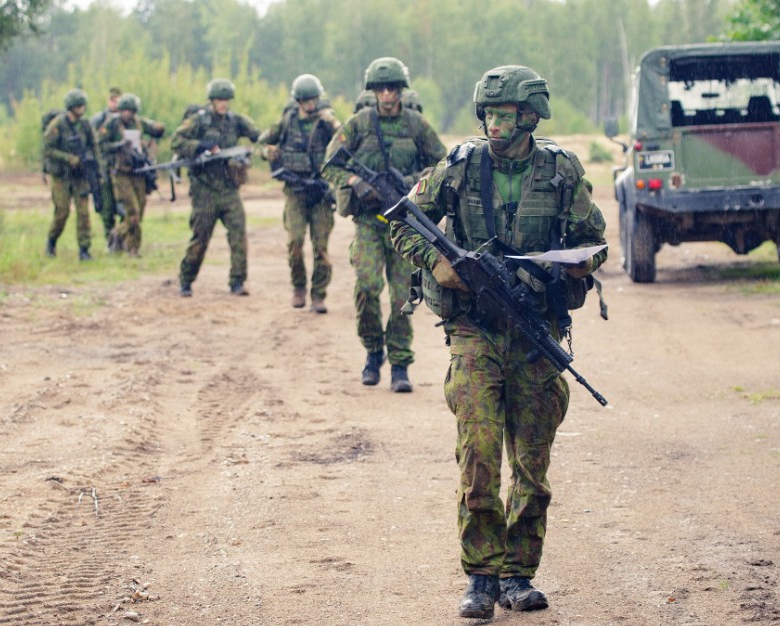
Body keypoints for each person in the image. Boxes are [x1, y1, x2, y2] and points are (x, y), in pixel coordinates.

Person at [389, 65, 608, 619]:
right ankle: (482, 577)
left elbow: (595, 241)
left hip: (535, 332)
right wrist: (438, 264)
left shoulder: (560, 170)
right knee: (480, 451)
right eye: (487, 114)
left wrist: (578, 265)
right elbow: (401, 224)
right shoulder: (460, 167)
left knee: (532, 465)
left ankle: (519, 574)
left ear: (530, 116)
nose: (493, 124)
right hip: (475, 330)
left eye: (504, 115)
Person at [322, 56, 446, 392]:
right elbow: (328, 165)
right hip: (368, 223)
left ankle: (401, 364)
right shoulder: (359, 124)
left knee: (403, 296)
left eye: (393, 87)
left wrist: (414, 181)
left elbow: (444, 165)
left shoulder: (417, 124)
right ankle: (373, 351)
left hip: (405, 225)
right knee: (366, 286)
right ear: (373, 91)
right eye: (381, 88)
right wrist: (353, 181)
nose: (388, 94)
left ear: (401, 90)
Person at [258, 74, 341, 313]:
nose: (311, 104)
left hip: (320, 194)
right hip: (295, 192)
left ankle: (318, 295)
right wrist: (267, 153)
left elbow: (347, 139)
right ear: (298, 101)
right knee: (295, 242)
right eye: (306, 100)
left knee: (321, 248)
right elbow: (260, 144)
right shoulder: (286, 122)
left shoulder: (327, 123)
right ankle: (299, 287)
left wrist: (333, 122)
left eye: (314, 99)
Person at [172, 78, 260, 297]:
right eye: (219, 100)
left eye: (226, 100)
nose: (223, 104)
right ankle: (186, 279)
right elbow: (176, 141)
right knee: (200, 238)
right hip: (205, 190)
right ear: (211, 101)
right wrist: (199, 146)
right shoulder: (199, 121)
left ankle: (237, 282)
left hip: (229, 189)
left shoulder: (235, 121)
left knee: (238, 235)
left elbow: (259, 135)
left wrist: (267, 145)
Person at [97, 93, 165, 256]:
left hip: (138, 172)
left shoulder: (139, 123)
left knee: (139, 211)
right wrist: (119, 145)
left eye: (130, 111)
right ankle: (117, 234)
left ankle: (132, 248)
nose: (127, 114)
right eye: (124, 110)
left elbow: (155, 130)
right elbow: (101, 144)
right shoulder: (112, 123)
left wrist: (159, 128)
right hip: (121, 173)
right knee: (132, 212)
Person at [42, 89, 99, 260]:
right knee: (62, 212)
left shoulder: (86, 125)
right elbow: (48, 149)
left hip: (80, 176)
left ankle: (84, 249)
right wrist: (68, 158)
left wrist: (97, 170)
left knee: (83, 213)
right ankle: (51, 241)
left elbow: (94, 147)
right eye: (78, 105)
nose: (82, 109)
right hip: (61, 176)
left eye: (83, 105)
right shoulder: (58, 124)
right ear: (71, 107)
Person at [89, 86, 123, 241]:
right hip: (104, 168)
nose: (115, 104)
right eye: (112, 100)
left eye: (118, 101)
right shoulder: (99, 119)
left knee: (125, 205)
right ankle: (110, 238)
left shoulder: (127, 118)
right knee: (107, 206)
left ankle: (122, 237)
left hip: (122, 168)